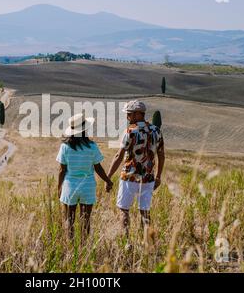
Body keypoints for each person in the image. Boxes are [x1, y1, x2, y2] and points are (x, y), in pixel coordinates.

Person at [107, 100, 165, 242]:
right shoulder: (156, 131)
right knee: (145, 212)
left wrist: (108, 177)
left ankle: (126, 243)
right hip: (148, 178)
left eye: (129, 114)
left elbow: (118, 156)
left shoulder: (130, 132)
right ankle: (148, 243)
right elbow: (161, 155)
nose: (127, 117)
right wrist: (158, 176)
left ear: (137, 114)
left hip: (129, 177)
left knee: (124, 210)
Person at [57, 114, 114, 241]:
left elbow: (62, 170)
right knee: (86, 221)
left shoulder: (65, 147)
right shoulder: (92, 146)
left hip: (70, 186)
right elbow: (98, 168)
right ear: (84, 130)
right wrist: (108, 181)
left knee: (69, 220)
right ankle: (83, 247)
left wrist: (59, 187)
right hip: (87, 186)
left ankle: (70, 248)